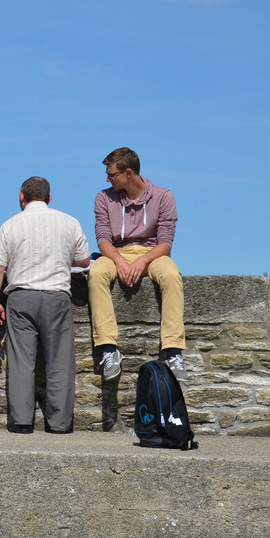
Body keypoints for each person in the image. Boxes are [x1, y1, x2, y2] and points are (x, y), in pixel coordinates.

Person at [0, 177, 92, 434]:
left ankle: (22, 422)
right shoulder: (70, 222)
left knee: (22, 362)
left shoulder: (11, 224)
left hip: (21, 297)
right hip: (57, 296)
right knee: (60, 362)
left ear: (21, 197)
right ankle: (59, 424)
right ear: (49, 198)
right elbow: (84, 261)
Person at [89, 147, 186, 381]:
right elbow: (103, 240)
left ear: (128, 172)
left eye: (112, 174)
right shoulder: (103, 198)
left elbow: (165, 243)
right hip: (116, 253)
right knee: (96, 273)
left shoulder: (164, 197)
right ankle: (108, 348)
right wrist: (120, 261)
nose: (108, 179)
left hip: (152, 254)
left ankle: (173, 350)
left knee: (171, 275)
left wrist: (142, 260)